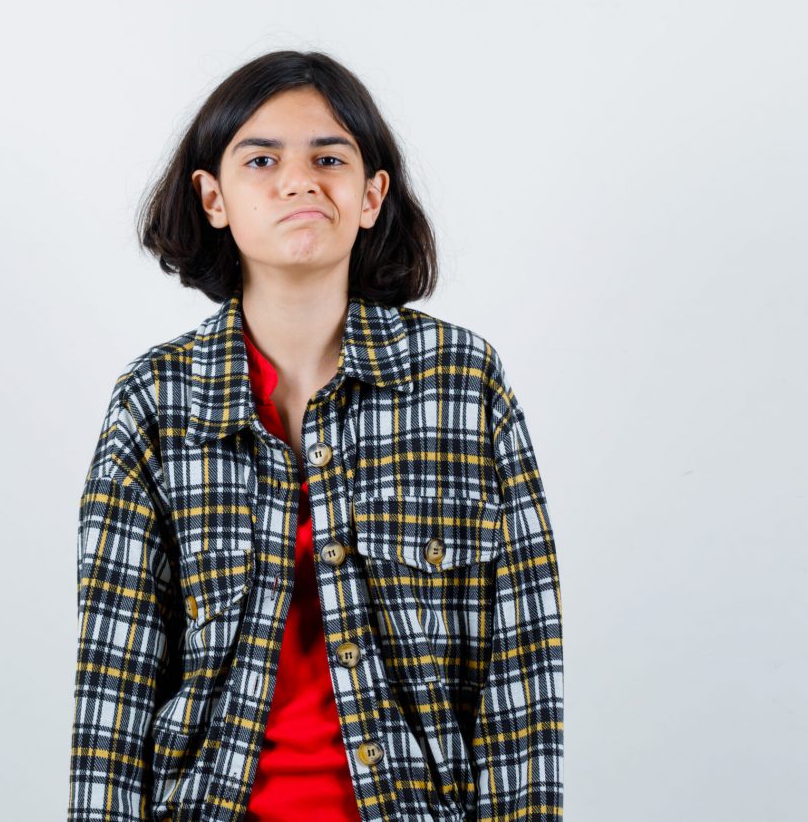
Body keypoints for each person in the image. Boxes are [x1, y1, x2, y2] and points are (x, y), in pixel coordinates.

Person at [67, 50, 564, 822]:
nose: (298, 179)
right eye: (260, 158)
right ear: (213, 198)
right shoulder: (155, 400)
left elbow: (522, 668)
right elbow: (114, 684)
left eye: (327, 156)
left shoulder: (463, 383)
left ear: (371, 196)